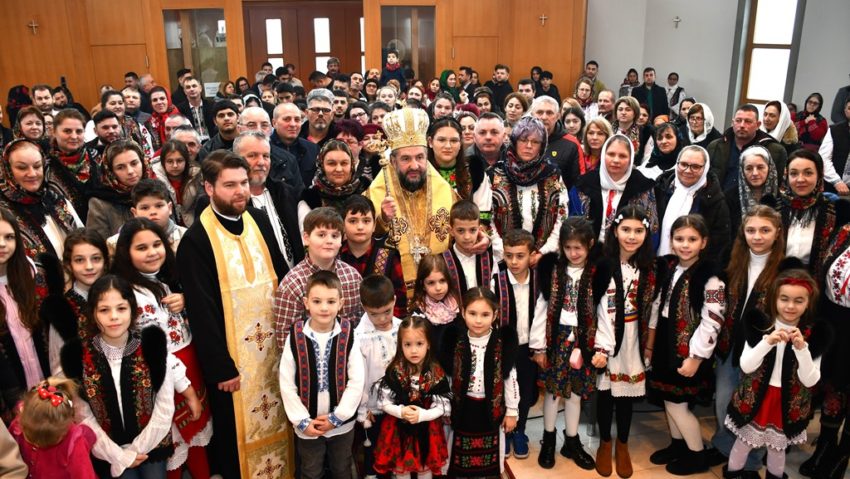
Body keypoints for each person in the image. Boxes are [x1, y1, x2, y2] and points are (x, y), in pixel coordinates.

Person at [177, 151, 290, 478]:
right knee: (235, 444)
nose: (240, 190)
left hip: (275, 355)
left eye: (243, 182)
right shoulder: (197, 240)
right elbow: (201, 311)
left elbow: (283, 277)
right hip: (233, 367)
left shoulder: (260, 221)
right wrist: (221, 367)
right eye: (230, 185)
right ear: (209, 188)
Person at [111, 218, 211, 478]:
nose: (152, 252)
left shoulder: (164, 279)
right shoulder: (133, 293)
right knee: (175, 442)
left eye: (157, 244)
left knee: (197, 439)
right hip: (168, 373)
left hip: (189, 361)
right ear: (126, 253)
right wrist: (185, 389)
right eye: (141, 248)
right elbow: (157, 348)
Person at [60, 274, 175, 478]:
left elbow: (164, 407)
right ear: (93, 313)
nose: (114, 316)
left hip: (151, 445)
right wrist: (118, 455)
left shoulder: (152, 344)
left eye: (121, 308)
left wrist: (134, 450)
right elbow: (84, 415)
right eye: (104, 310)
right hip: (109, 450)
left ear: (132, 309)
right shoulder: (76, 355)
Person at [724, 269, 826, 479]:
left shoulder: (814, 334)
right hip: (755, 398)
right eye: (784, 299)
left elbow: (811, 379)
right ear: (774, 298)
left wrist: (802, 349)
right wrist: (766, 342)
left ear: (808, 302)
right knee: (743, 443)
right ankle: (734, 475)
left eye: (799, 300)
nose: (790, 306)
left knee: (777, 449)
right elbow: (746, 365)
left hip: (787, 403)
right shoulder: (759, 325)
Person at [709, 205, 785, 474]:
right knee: (724, 401)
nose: (757, 236)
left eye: (765, 230)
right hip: (730, 344)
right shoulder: (733, 259)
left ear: (777, 233)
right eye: (751, 230)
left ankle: (751, 462)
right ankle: (723, 448)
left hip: (762, 352)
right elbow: (716, 296)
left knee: (753, 408)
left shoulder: (785, 269)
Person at [647, 215, 724, 475]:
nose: (685, 245)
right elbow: (659, 305)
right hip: (665, 342)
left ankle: (697, 454)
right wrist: (650, 344)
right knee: (669, 400)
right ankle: (677, 445)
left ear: (704, 242)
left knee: (678, 405)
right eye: (679, 239)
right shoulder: (669, 267)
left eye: (692, 239)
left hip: (689, 349)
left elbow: (712, 320)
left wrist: (696, 357)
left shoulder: (711, 277)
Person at [591, 205, 658, 478]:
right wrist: (599, 346)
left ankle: (623, 444)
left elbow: (653, 310)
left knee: (627, 397)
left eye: (638, 231)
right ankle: (605, 443)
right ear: (615, 231)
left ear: (647, 233)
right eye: (626, 229)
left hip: (634, 339)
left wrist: (649, 346)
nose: (631, 236)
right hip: (607, 337)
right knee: (606, 393)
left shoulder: (650, 268)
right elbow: (593, 306)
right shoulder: (603, 264)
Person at [279, 270, 365, 479]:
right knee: (310, 470)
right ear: (306, 303)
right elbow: (286, 381)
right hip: (308, 424)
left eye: (330, 301)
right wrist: (301, 421)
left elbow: (357, 380)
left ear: (341, 303)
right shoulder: (296, 335)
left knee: (342, 467)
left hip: (341, 425)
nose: (324, 308)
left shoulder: (348, 333)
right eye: (317, 301)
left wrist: (338, 417)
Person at [365, 107, 460, 292]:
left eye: (420, 157)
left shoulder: (447, 193)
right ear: (393, 161)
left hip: (438, 292)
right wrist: (382, 220)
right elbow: (358, 243)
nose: (414, 165)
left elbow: (464, 229)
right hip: (394, 293)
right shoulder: (375, 195)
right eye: (406, 159)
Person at [535, 218, 598, 470]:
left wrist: (601, 344)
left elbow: (604, 310)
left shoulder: (597, 273)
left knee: (574, 393)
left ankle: (571, 440)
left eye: (578, 248)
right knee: (552, 391)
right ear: (561, 246)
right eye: (568, 247)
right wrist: (539, 346)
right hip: (556, 339)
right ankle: (548, 438)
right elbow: (541, 306)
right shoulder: (553, 271)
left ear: (590, 245)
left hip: (583, 340)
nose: (573, 253)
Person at [441, 287, 519, 477]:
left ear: (495, 315)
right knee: (459, 454)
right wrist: (445, 407)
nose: (478, 320)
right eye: (472, 313)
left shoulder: (502, 342)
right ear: (462, 311)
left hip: (491, 409)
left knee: (491, 457)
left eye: (485, 314)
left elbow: (510, 378)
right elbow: (447, 378)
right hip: (463, 408)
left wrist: (512, 411)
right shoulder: (456, 341)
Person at [373, 313, 451, 478]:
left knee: (425, 469)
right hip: (398, 431)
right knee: (402, 471)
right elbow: (384, 402)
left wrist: (423, 415)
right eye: (407, 344)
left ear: (428, 344)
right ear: (400, 345)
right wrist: (401, 412)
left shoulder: (435, 372)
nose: (413, 350)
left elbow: (443, 406)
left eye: (419, 343)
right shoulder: (395, 370)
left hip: (428, 430)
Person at [491, 230, 547, 460]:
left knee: (525, 392)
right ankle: (503, 432)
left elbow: (543, 316)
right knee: (503, 392)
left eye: (520, 256)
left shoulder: (539, 281)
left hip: (528, 349)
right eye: (509, 255)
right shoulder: (497, 281)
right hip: (504, 348)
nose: (513, 261)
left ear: (532, 255)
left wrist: (539, 348)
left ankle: (520, 431)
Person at [273, 207, 362, 346]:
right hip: (309, 362)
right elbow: (285, 340)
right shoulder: (292, 284)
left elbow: (361, 323)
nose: (329, 241)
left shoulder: (353, 276)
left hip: (350, 358)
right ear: (306, 238)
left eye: (335, 235)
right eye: (321, 235)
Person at [491, 117, 568, 260]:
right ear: (514, 142)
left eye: (535, 142)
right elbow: (486, 219)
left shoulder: (553, 174)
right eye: (523, 140)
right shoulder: (494, 174)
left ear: (542, 145)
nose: (529, 145)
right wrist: (506, 253)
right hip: (502, 259)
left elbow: (561, 217)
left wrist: (543, 253)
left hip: (542, 259)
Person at [0, 207, 49, 422]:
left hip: (46, 382)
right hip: (11, 392)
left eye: (9, 237)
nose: (2, 244)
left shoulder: (33, 274)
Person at [39, 229, 108, 376]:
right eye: (79, 260)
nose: (89, 266)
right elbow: (59, 368)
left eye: (96, 258)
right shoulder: (62, 309)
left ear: (105, 261)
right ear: (69, 265)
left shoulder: (120, 294)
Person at [569, 134, 659, 246]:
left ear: (631, 159)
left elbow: (652, 228)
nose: (616, 160)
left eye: (622, 156)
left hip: (629, 255)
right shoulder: (583, 185)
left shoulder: (643, 187)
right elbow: (573, 224)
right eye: (611, 154)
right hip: (589, 254)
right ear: (603, 155)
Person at [0, 139, 82, 259]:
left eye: (37, 166)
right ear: (8, 170)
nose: (32, 174)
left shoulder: (56, 200)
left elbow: (83, 238)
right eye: (22, 168)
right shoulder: (3, 211)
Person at [354, 275, 401, 479]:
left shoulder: (402, 328)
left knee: (398, 450)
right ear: (364, 307)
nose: (382, 319)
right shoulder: (359, 337)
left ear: (394, 301)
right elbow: (359, 377)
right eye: (375, 314)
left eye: (387, 312)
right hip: (374, 409)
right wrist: (363, 409)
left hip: (399, 405)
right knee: (375, 452)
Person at [813, 223, 850, 478]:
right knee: (832, 386)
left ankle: (843, 452)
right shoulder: (844, 230)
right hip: (835, 321)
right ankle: (826, 445)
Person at [777, 149, 850, 277]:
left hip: (819, 284)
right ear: (786, 176)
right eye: (794, 174)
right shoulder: (774, 208)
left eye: (808, 173)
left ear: (819, 175)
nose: (800, 179)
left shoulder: (835, 212)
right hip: (776, 281)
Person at [654, 145, 731, 259]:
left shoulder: (715, 201)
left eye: (695, 167)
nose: (688, 170)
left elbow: (719, 245)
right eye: (684, 164)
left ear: (705, 168)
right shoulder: (659, 189)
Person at [9, 378, 96, 478]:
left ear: (63, 431)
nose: (37, 444)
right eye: (31, 438)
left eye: (48, 441)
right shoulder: (18, 424)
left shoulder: (74, 444)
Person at [339, 196, 406, 316]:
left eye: (366, 221)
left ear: (374, 225)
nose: (360, 227)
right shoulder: (335, 255)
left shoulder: (388, 255)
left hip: (382, 326)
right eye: (353, 221)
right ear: (343, 225)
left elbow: (400, 300)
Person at [707, 104, 788, 191]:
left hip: (754, 203)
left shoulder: (774, 150)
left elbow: (774, 186)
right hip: (720, 201)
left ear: (758, 125)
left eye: (748, 121)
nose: (742, 125)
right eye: (738, 120)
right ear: (732, 122)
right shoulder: (715, 146)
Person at [86, 140, 150, 240]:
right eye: (120, 167)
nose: (130, 171)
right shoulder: (100, 203)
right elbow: (98, 246)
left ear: (143, 162)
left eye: (134, 163)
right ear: (110, 171)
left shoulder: (155, 191)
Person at [297, 139, 368, 229]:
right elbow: (306, 236)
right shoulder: (310, 197)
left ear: (352, 165)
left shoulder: (365, 190)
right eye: (331, 163)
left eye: (344, 163)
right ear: (321, 166)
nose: (338, 169)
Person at [106, 179, 185, 256]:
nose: (153, 212)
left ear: (169, 208)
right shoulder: (116, 244)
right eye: (145, 208)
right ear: (135, 212)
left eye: (159, 206)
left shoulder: (185, 238)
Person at [46, 110, 100, 221]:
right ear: (54, 132)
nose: (74, 136)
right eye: (67, 131)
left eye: (79, 131)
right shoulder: (46, 166)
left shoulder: (96, 157)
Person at [725, 146, 779, 242]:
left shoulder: (781, 198)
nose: (755, 173)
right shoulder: (729, 198)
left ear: (769, 168)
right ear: (742, 171)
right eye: (749, 168)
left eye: (760, 167)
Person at [441, 200, 494, 299]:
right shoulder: (442, 262)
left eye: (473, 230)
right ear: (451, 231)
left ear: (480, 230)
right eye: (460, 230)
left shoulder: (490, 258)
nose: (467, 237)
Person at [530, 96, 584, 189]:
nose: (544, 117)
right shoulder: (521, 140)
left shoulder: (572, 144)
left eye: (549, 113)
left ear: (558, 116)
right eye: (539, 112)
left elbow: (579, 182)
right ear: (532, 114)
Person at [410, 254, 460, 353]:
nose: (438, 288)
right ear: (423, 285)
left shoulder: (455, 304)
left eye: (442, 281)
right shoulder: (419, 313)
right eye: (431, 283)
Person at [152, 140, 200, 226]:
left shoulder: (196, 176)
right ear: (163, 162)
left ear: (186, 161)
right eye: (170, 161)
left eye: (179, 161)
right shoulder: (155, 180)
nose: (175, 165)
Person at [272, 102, 319, 188]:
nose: (293, 124)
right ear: (274, 123)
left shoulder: (312, 149)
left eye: (297, 120)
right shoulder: (265, 150)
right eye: (287, 119)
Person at [820, 98, 850, 192]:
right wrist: (837, 181)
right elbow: (824, 158)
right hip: (834, 186)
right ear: (845, 111)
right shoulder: (834, 130)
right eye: (849, 108)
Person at [176, 77, 216, 143]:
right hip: (191, 143)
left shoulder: (212, 106)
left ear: (200, 88)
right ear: (185, 91)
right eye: (188, 87)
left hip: (212, 143)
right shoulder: (180, 109)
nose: (191, 89)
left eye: (194, 86)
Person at [611, 96, 650, 163]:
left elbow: (647, 157)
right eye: (620, 109)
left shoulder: (645, 131)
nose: (623, 112)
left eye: (628, 110)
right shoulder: (608, 129)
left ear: (635, 113)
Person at [145, 86, 180, 154]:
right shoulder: (148, 123)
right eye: (155, 100)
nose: (159, 102)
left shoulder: (180, 120)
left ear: (168, 100)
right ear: (151, 104)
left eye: (162, 98)